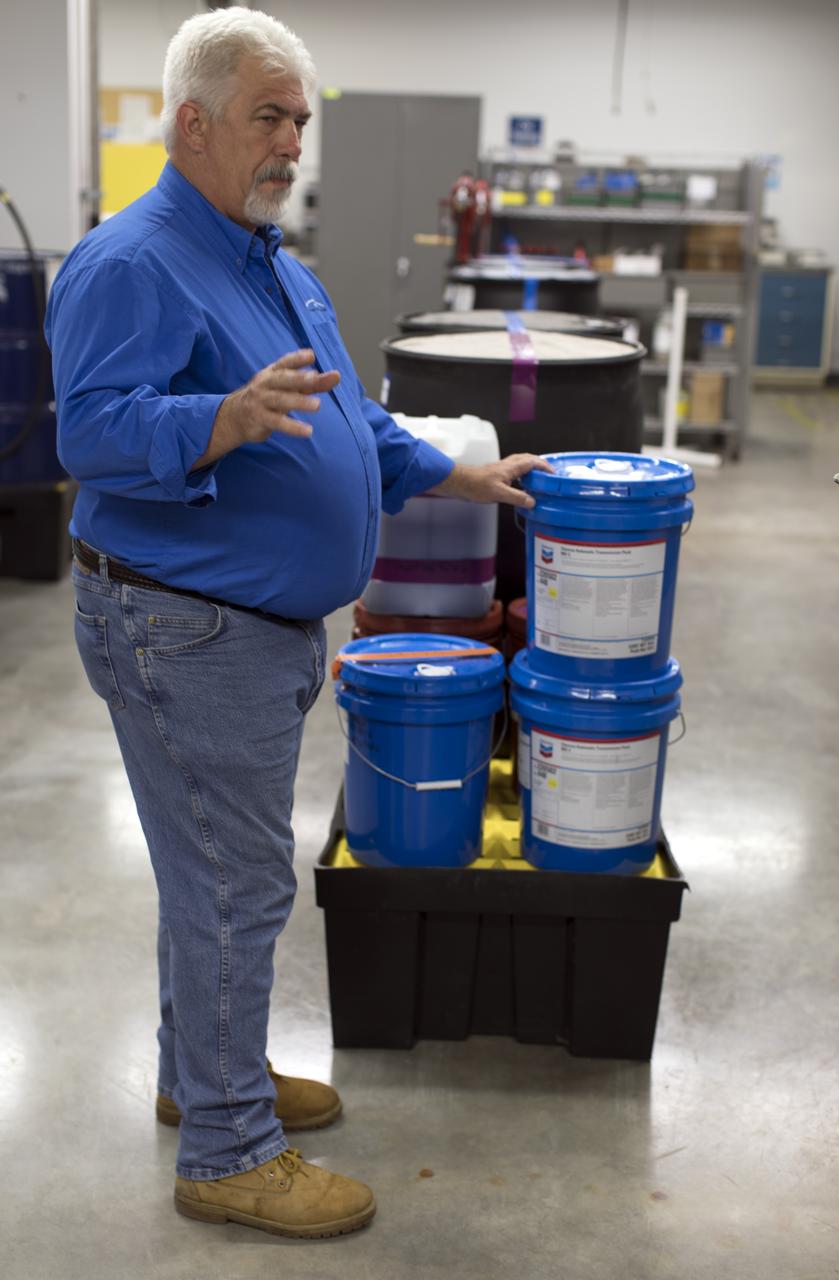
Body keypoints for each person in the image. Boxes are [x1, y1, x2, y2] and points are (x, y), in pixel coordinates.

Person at [45, 6, 545, 1242]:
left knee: (207, 877)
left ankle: (197, 1073)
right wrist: (215, 419)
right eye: (267, 118)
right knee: (232, 886)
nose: (290, 144)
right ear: (192, 123)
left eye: (300, 122)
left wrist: (453, 470)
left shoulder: (272, 260)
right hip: (179, 624)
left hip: (242, 627)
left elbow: (347, 423)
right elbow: (90, 433)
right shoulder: (130, 262)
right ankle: (225, 1145)